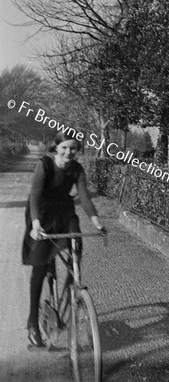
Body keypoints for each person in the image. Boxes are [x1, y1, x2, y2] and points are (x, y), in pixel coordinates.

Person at [22, 131, 105, 347]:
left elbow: (84, 197)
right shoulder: (45, 166)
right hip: (41, 215)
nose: (69, 152)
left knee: (76, 247)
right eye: (65, 147)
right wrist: (36, 223)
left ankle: (74, 291)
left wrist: (96, 221)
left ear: (78, 150)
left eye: (73, 148)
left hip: (64, 214)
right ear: (56, 147)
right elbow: (35, 195)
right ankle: (32, 321)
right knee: (40, 267)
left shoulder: (77, 169)